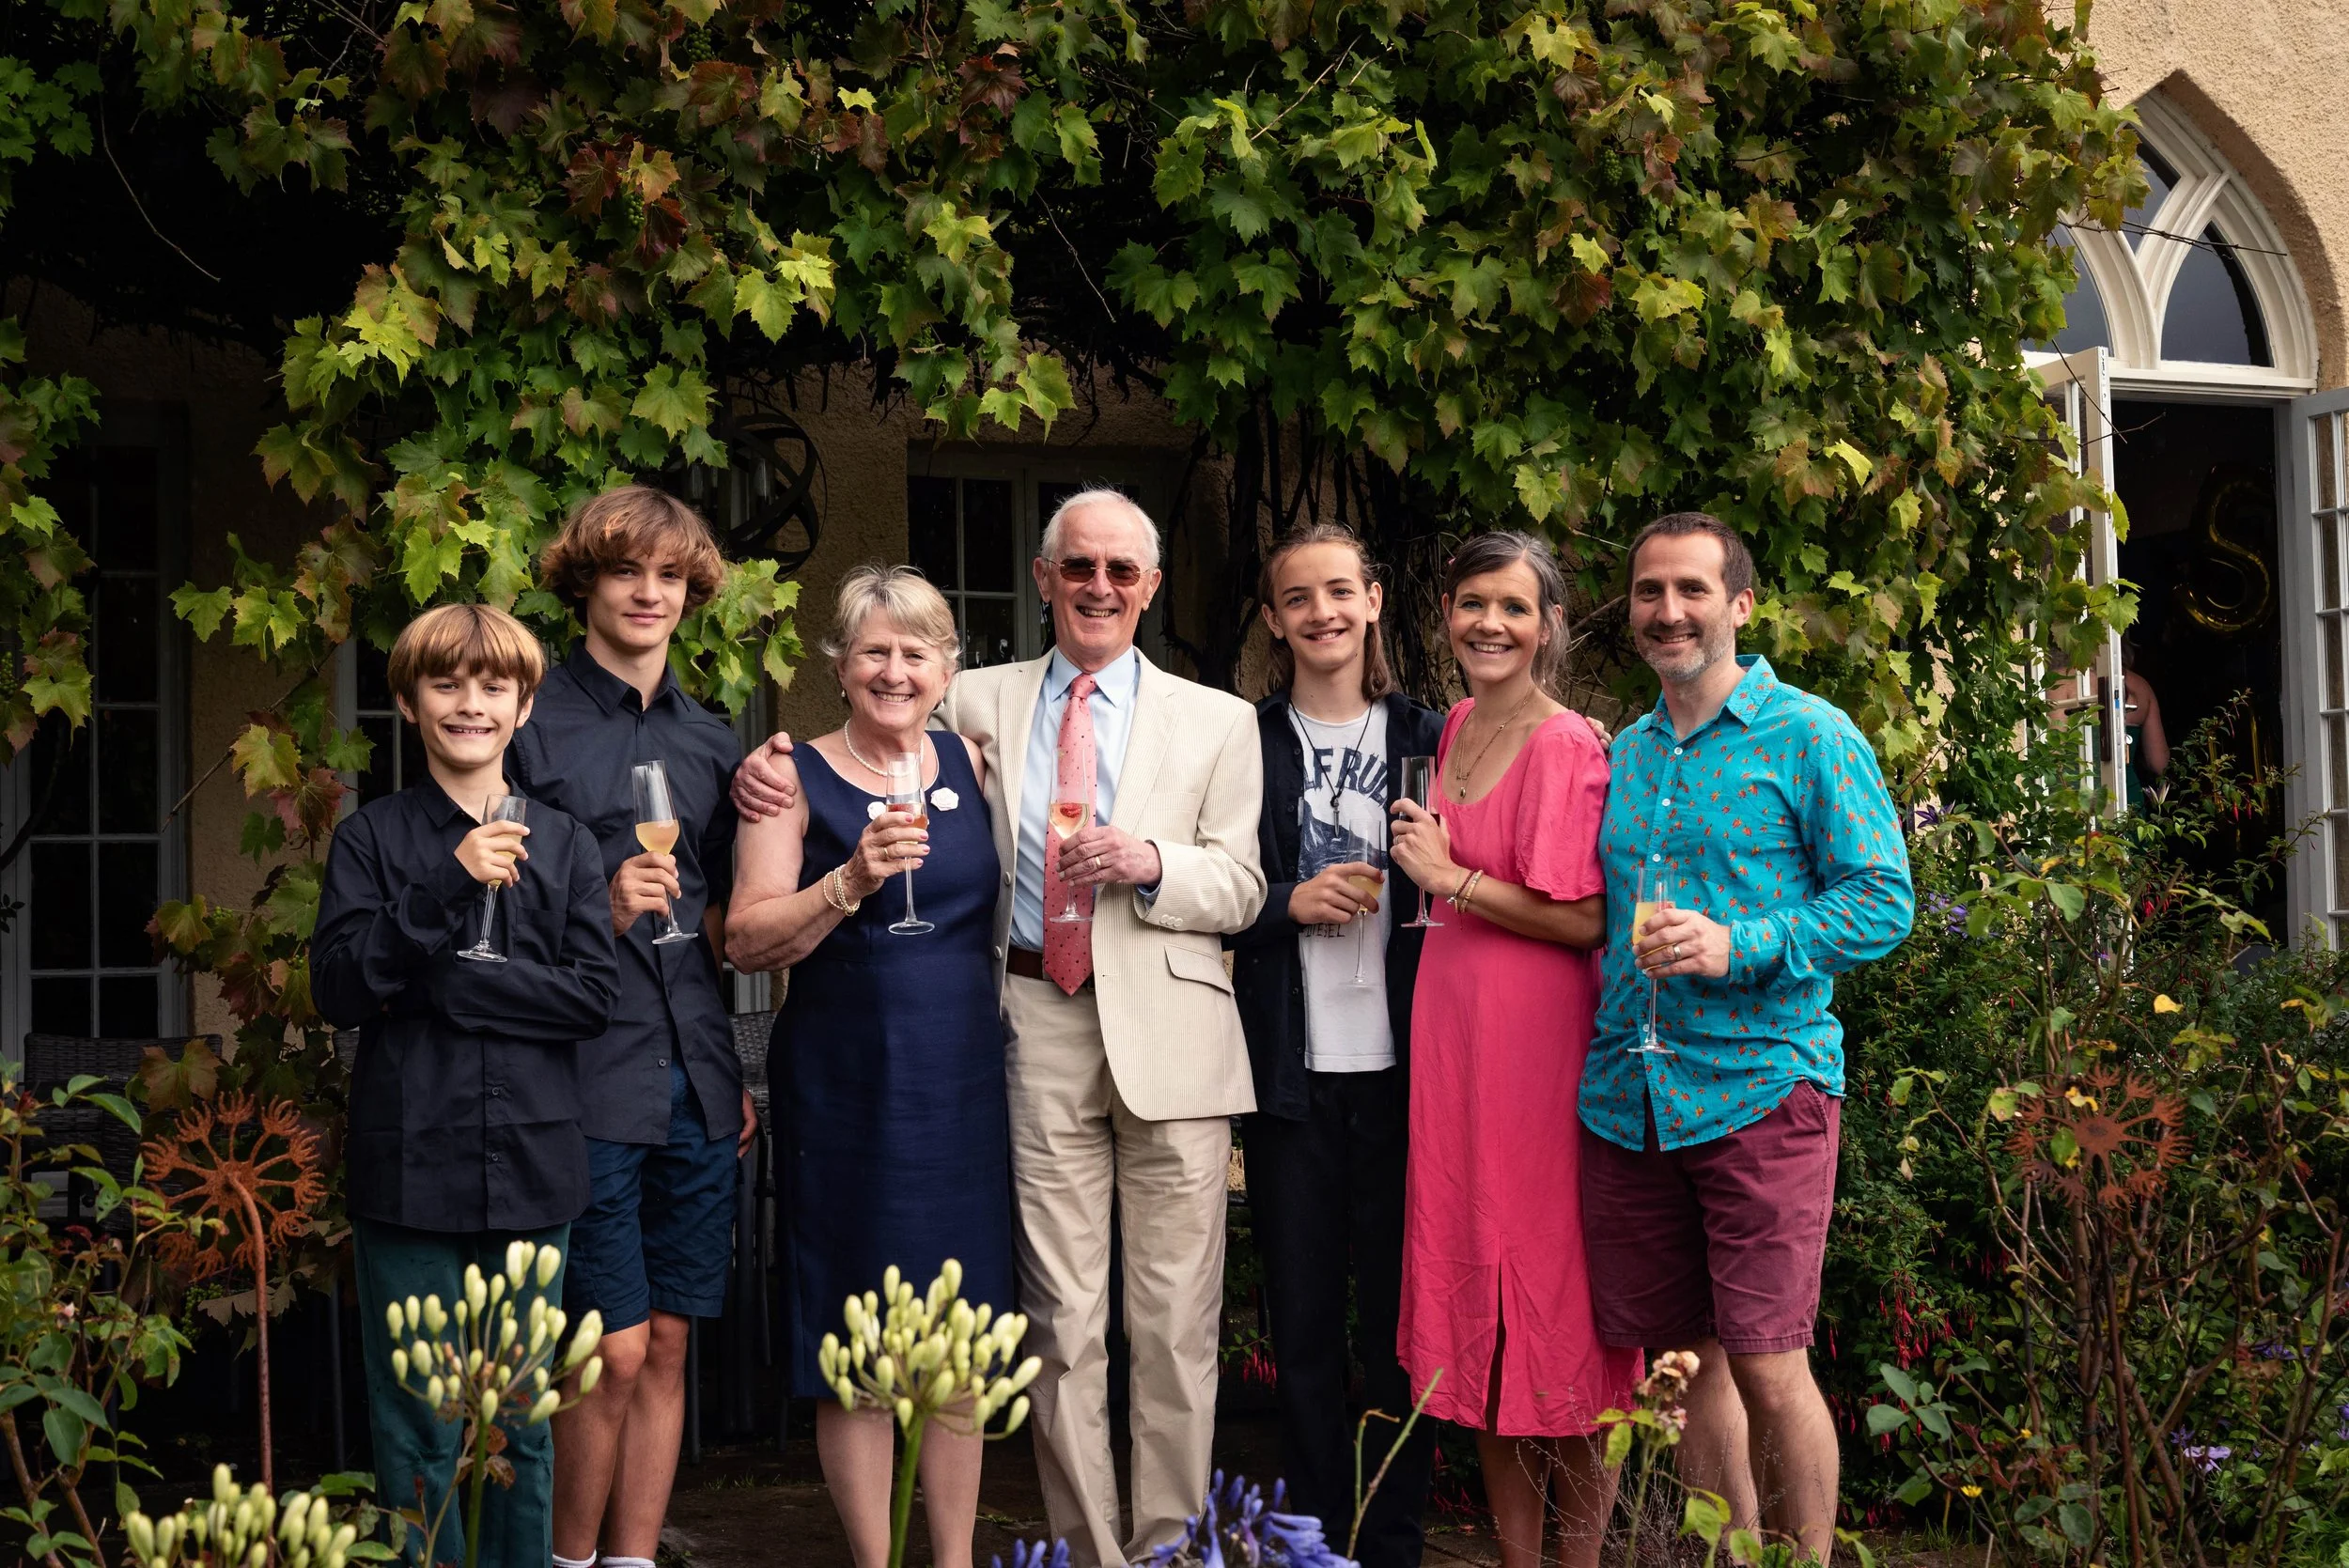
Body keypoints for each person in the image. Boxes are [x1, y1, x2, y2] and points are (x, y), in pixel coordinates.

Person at [735, 488, 1266, 1567]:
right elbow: (867, 719)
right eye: (1079, 567)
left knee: (1170, 1325)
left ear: (1150, 588)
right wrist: (764, 761)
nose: (1100, 587)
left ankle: (1165, 1549)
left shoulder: (1218, 718)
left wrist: (1153, 861)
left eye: (1122, 571)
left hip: (1170, 1030)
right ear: (1043, 579)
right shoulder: (970, 700)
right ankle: (1089, 1549)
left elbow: (1247, 884)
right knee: (1057, 1323)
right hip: (1024, 1017)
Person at [1581, 512, 1914, 1563]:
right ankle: (1729, 1559)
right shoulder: (1623, 753)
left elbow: (1883, 900)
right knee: (1687, 1362)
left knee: (1771, 1358)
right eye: (1647, 592)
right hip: (1633, 1098)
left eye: (1689, 589)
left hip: (1763, 1088)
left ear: (1740, 604)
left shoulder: (1810, 734)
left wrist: (1744, 944)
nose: (1666, 611)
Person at [313, 603, 619, 1568]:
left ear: (525, 706)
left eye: (493, 686)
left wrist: (449, 983)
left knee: (522, 1423)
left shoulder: (566, 845)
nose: (470, 703)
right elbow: (341, 989)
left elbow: (590, 1002)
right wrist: (447, 883)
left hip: (533, 1166)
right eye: (446, 683)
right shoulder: (371, 840)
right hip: (408, 1173)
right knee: (418, 1429)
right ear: (407, 702)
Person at [724, 566, 1013, 1568]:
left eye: (916, 651)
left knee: (960, 1332)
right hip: (847, 1088)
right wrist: (846, 881)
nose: (895, 670)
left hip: (965, 1086)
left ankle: (954, 1558)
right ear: (840, 665)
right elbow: (747, 939)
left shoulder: (977, 763)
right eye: (874, 651)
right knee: (856, 1343)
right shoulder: (788, 778)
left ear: (947, 668)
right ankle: (872, 1559)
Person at [1385, 530, 1637, 1568]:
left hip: (1537, 1056)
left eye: (1513, 607)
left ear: (1548, 625)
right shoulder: (1451, 724)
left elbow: (1582, 919)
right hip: (1455, 1050)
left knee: (1557, 1311)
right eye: (1471, 602)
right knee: (1477, 1308)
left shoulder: (1567, 740)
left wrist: (1452, 884)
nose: (1489, 623)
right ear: (1446, 612)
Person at [523, 487, 758, 1568]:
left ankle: (631, 1560)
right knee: (603, 1350)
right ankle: (568, 1562)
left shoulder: (713, 735)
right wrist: (597, 907)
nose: (650, 593)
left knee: (666, 1343)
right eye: (628, 573)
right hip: (586, 1070)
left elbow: (718, 914)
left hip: (696, 1072)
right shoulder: (531, 719)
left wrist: (727, 1070)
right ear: (586, 581)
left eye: (669, 577)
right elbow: (483, 901)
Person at [1228, 523, 1442, 1568]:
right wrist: (1281, 903)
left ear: (1371, 601)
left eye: (1338, 592)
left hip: (1409, 1075)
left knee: (1401, 1332)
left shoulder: (1435, 735)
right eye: (1296, 597)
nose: (1321, 612)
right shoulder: (1242, 741)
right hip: (1289, 1075)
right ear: (1274, 618)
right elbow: (1210, 888)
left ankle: (1392, 1536)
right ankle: (1309, 1535)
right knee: (1305, 1325)